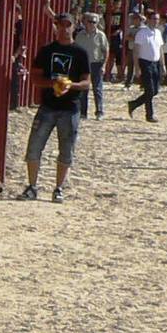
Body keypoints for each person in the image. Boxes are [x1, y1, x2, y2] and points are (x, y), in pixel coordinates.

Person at [17, 13, 90, 203]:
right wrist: (53, 84)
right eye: (60, 24)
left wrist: (69, 85)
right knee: (34, 147)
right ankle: (32, 186)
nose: (64, 28)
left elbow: (86, 82)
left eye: (68, 25)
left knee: (66, 150)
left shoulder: (80, 53)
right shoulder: (47, 51)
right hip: (48, 106)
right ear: (55, 26)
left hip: (70, 108)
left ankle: (59, 188)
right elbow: (35, 78)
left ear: (74, 27)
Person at [128, 12, 163, 123]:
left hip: (155, 63)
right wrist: (137, 67)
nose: (155, 21)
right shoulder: (142, 33)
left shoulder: (158, 32)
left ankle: (134, 103)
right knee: (149, 90)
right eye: (153, 19)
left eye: (157, 19)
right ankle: (149, 114)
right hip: (145, 63)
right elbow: (136, 51)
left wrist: (164, 65)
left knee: (155, 90)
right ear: (148, 19)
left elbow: (160, 49)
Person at [74, 12, 108, 119]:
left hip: (96, 64)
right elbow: (76, 50)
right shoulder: (80, 35)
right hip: (83, 65)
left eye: (95, 22)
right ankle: (83, 112)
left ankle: (99, 111)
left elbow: (106, 50)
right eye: (90, 22)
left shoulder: (101, 35)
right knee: (84, 89)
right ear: (85, 22)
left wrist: (104, 65)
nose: (92, 24)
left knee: (97, 89)